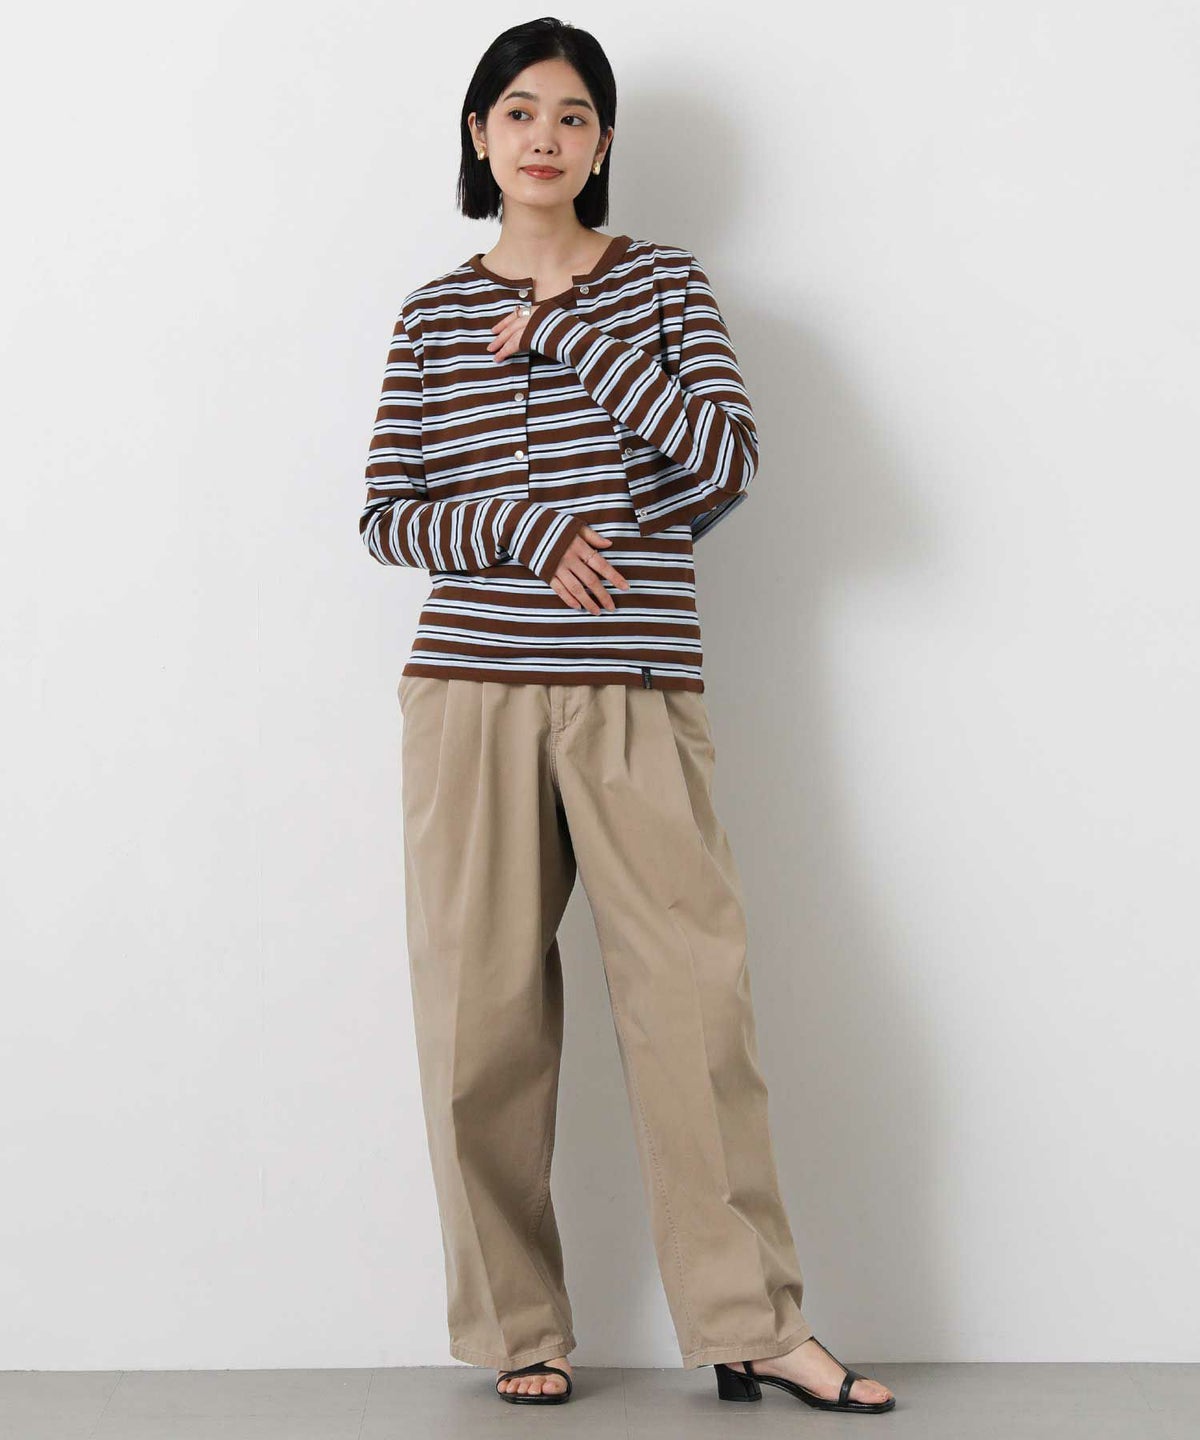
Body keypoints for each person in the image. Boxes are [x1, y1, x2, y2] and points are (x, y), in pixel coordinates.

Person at [359, 16, 896, 1416]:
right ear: (479, 135)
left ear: (602, 143)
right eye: (518, 111)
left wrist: (571, 338)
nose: (544, 136)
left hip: (635, 690)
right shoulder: (429, 314)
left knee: (692, 1009)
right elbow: (388, 514)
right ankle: (516, 1327)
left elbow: (725, 460)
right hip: (471, 695)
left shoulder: (661, 285)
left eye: (573, 115)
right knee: (476, 1023)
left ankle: (752, 1324)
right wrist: (527, 529)